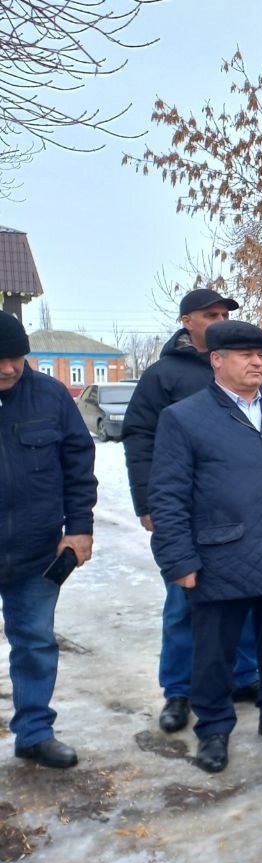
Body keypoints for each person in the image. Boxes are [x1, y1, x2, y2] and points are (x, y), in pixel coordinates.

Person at [148, 320, 262, 774]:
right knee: (214, 651)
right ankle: (212, 728)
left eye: (261, 355)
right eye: (245, 355)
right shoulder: (184, 418)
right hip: (220, 555)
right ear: (217, 360)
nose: (256, 363)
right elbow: (167, 497)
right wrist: (178, 560)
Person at [123, 289, 262, 733]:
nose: (218, 320)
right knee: (184, 603)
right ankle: (178, 688)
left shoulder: (254, 373)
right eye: (210, 314)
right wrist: (148, 501)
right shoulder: (163, 376)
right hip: (187, 512)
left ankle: (243, 676)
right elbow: (139, 438)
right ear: (187, 321)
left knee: (246, 596)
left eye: (224, 314)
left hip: (245, 510)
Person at [0, 310, 97, 768]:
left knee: (35, 642)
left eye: (16, 357)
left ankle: (34, 732)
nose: (7, 368)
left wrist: (79, 529)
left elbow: (79, 466)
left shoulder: (51, 397)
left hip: (37, 552)